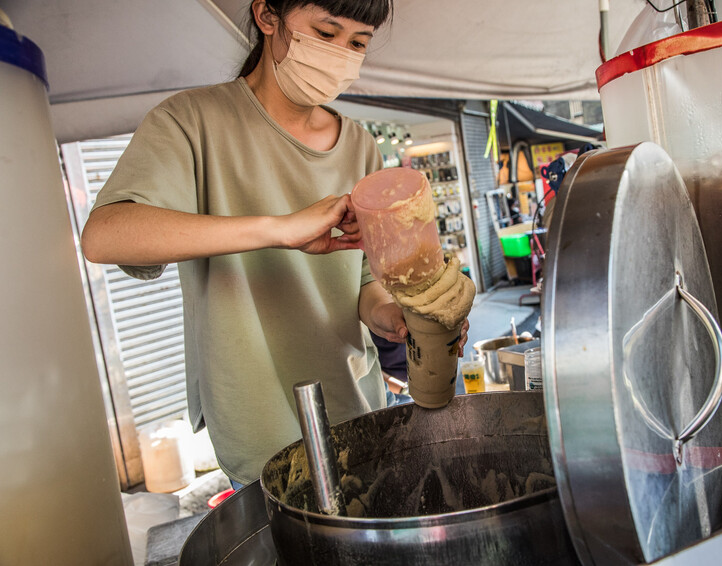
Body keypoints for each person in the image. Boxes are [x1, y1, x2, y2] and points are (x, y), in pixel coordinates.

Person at [81, 0, 468, 489]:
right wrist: (278, 228)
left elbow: (367, 281)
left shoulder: (360, 146)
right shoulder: (192, 121)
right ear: (268, 17)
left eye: (357, 43)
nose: (340, 55)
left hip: (355, 404)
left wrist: (393, 318)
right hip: (257, 420)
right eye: (326, 33)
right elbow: (105, 235)